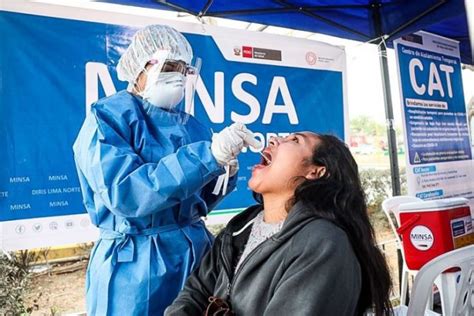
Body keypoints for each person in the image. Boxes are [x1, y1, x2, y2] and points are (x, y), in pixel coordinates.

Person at [73, 24, 259, 315]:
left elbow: (199, 200)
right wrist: (206, 156)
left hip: (195, 252)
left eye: (185, 70)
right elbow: (127, 194)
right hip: (134, 264)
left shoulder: (189, 125)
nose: (179, 77)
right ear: (140, 66)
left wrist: (224, 171)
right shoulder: (107, 119)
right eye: (171, 66)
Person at [165, 133, 393, 316]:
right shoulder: (240, 227)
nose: (274, 139)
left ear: (316, 171)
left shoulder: (323, 245)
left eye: (294, 140)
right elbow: (195, 293)